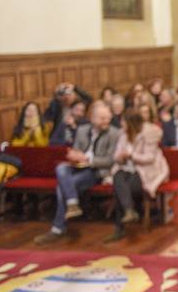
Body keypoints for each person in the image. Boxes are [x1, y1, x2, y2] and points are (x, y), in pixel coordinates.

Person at [34, 101, 120, 245]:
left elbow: (111, 160)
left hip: (96, 171)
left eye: (108, 118)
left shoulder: (114, 133)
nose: (106, 121)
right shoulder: (82, 130)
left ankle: (58, 228)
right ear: (92, 118)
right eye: (102, 118)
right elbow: (75, 150)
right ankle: (72, 203)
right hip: (78, 166)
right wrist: (74, 156)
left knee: (62, 187)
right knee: (61, 168)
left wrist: (88, 158)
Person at [105, 109, 169, 243]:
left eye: (123, 121)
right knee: (117, 176)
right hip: (126, 168)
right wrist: (121, 157)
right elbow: (116, 155)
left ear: (131, 123)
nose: (121, 123)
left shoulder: (147, 134)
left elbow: (150, 158)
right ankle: (129, 211)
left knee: (121, 189)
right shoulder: (123, 135)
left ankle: (121, 226)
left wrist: (131, 156)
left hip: (146, 170)